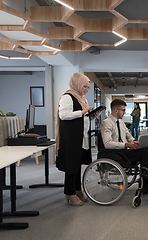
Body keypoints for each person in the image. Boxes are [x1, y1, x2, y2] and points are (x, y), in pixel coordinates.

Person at [100, 99, 148, 194]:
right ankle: (147, 184)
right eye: (123, 110)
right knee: (145, 153)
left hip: (124, 150)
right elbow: (107, 144)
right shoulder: (106, 123)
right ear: (116, 110)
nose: (125, 112)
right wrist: (126, 145)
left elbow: (128, 136)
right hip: (116, 153)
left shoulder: (121, 122)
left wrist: (134, 142)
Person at [55, 72, 100, 206]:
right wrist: (83, 112)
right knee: (71, 166)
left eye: (87, 87)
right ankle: (69, 193)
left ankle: (77, 189)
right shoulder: (68, 97)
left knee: (77, 164)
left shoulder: (81, 98)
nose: (86, 90)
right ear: (77, 84)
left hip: (80, 137)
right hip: (71, 138)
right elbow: (64, 115)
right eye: (84, 86)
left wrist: (91, 116)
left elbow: (81, 118)